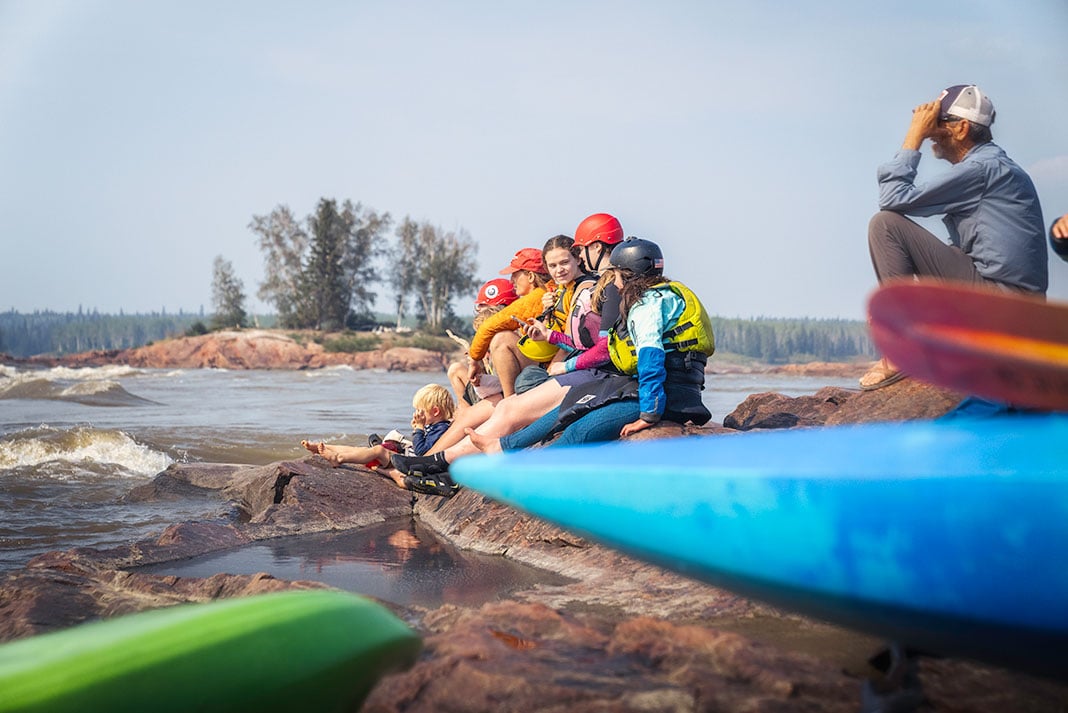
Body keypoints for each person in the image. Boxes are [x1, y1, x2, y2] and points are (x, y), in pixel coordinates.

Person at [393, 237, 715, 474]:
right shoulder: (664, 294)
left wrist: (648, 416)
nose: (613, 279)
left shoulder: (646, 305)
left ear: (629, 274)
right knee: (569, 409)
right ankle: (499, 448)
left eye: (617, 273)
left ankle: (524, 469)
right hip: (663, 389)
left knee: (579, 428)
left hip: (668, 396)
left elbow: (650, 359)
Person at [862, 84, 1048, 389]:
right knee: (944, 248)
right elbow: (968, 256)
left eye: (938, 123)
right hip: (1005, 297)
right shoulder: (994, 167)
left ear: (961, 128)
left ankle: (902, 348)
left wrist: (913, 138)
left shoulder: (981, 169)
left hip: (1002, 302)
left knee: (885, 225)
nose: (931, 131)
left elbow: (893, 198)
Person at [390, 235, 611, 476]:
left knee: (504, 392)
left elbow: (597, 345)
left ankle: (434, 460)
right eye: (553, 266)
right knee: (485, 397)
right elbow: (571, 339)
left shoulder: (579, 292)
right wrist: (547, 335)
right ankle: (435, 460)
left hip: (579, 373)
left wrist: (564, 366)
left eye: (516, 274)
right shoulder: (561, 292)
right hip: (568, 370)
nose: (512, 279)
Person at [300, 383, 456, 491]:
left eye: (420, 411)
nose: (417, 414)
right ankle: (326, 449)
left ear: (435, 411)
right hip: (412, 459)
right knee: (363, 450)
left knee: (379, 450)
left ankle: (338, 458)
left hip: (414, 464)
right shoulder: (435, 426)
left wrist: (418, 429)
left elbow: (423, 453)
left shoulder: (440, 429)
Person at [465, 248, 552, 397]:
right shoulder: (545, 293)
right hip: (540, 365)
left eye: (515, 275)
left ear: (530, 276)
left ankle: (509, 399)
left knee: (502, 338)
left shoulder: (536, 297)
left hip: (543, 369)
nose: (512, 281)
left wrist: (474, 360)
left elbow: (489, 325)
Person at [445, 278, 518, 409]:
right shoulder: (483, 337)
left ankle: (468, 417)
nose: (479, 310)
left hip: (503, 395)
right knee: (455, 369)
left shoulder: (508, 337)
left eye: (484, 307)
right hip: (490, 390)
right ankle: (464, 411)